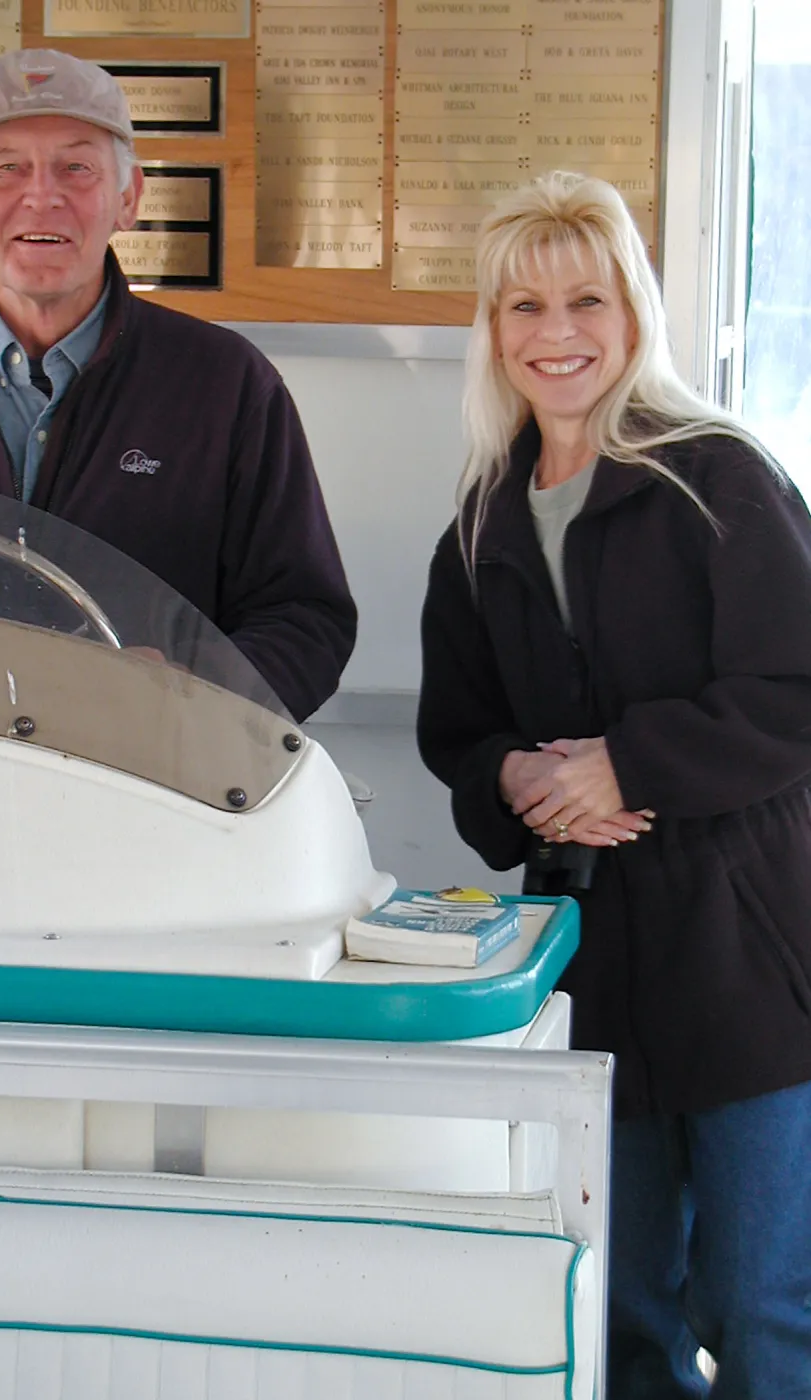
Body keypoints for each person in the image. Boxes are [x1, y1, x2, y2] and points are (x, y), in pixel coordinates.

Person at [417, 170, 811, 1399]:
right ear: (492, 331)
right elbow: (455, 736)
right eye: (523, 306)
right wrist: (522, 778)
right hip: (586, 963)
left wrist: (624, 763)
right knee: (615, 1297)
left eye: (586, 299)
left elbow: (794, 688)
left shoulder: (719, 478)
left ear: (634, 315)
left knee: (759, 1302)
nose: (557, 333)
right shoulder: (479, 523)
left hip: (751, 956)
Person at [0, 49, 356, 722]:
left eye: (76, 167)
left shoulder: (228, 386)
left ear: (128, 198)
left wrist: (185, 688)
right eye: (7, 168)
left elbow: (304, 620)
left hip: (144, 782)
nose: (42, 194)